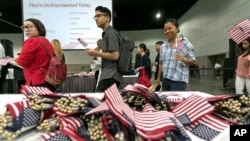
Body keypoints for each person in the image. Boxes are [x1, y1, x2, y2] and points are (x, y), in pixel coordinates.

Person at [85, 6, 122, 92]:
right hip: (108, 74)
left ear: (107, 18)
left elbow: (115, 55)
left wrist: (96, 53)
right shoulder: (106, 33)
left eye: (99, 16)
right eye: (95, 17)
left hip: (111, 75)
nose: (96, 19)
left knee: (99, 100)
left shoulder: (111, 32)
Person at [14, 18, 56, 92]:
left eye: (29, 26)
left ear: (38, 27)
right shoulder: (45, 41)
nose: (26, 29)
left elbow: (22, 62)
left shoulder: (31, 41)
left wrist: (16, 58)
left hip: (36, 81)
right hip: (48, 79)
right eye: (24, 27)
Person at [155, 18, 196, 91]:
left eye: (169, 28)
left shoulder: (184, 43)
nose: (167, 31)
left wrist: (184, 60)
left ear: (177, 29)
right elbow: (161, 63)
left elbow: (193, 61)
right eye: (165, 30)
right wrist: (158, 78)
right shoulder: (163, 46)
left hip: (179, 81)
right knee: (166, 101)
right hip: (165, 80)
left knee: (177, 102)